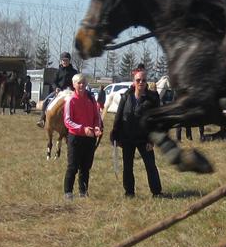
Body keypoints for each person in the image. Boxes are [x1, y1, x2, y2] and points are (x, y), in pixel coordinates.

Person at [111, 67, 163, 198]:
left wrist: (153, 140)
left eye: (143, 80)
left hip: (145, 139)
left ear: (146, 82)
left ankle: (156, 192)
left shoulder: (152, 99)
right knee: (127, 167)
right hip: (127, 138)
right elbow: (118, 117)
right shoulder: (126, 97)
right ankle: (129, 192)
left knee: (150, 166)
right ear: (134, 82)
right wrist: (115, 135)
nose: (141, 82)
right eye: (138, 80)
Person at [63, 72, 103, 200]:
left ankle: (83, 192)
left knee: (86, 167)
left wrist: (96, 126)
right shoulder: (71, 100)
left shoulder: (91, 99)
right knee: (73, 166)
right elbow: (67, 121)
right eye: (78, 83)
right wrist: (82, 128)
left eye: (83, 83)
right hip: (75, 137)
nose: (81, 85)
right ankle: (68, 192)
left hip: (90, 137)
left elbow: (96, 117)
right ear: (74, 85)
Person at [38, 52, 78, 127]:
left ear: (69, 61)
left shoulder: (74, 72)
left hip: (71, 92)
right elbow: (53, 82)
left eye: (66, 60)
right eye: (63, 60)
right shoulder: (58, 71)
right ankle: (42, 119)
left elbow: (76, 82)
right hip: (59, 92)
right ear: (61, 61)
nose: (65, 62)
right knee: (46, 101)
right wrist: (56, 88)